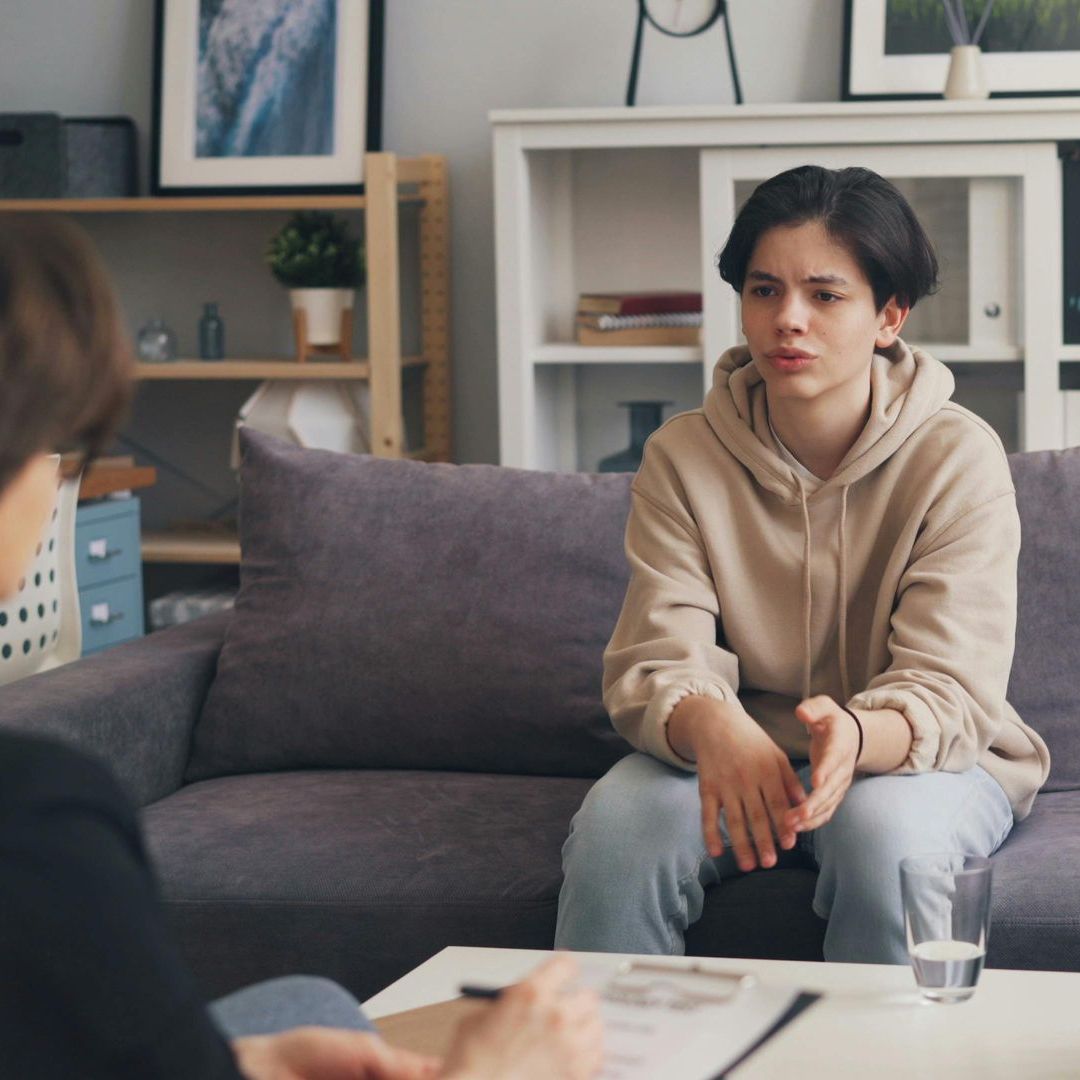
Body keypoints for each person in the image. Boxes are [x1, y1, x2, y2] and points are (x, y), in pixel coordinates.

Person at [0, 215, 604, 1079]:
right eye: (54, 446)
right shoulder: (37, 819)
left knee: (308, 1008)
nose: (58, 482)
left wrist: (249, 1063)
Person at [555, 165, 1051, 965]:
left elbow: (951, 686)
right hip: (735, 747)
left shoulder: (958, 458)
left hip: (913, 758)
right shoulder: (683, 456)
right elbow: (658, 655)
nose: (788, 319)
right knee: (618, 834)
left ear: (889, 315)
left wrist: (855, 733)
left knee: (885, 839)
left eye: (825, 295)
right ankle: (595, 1037)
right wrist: (714, 723)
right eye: (764, 290)